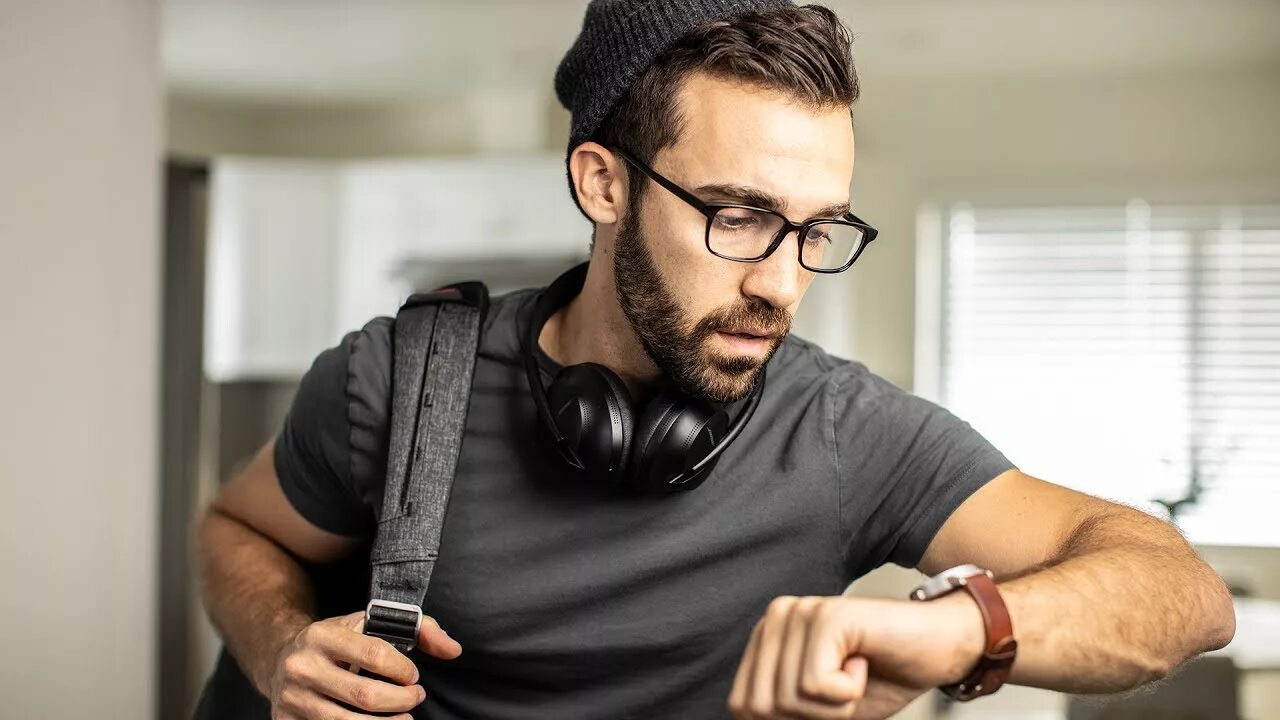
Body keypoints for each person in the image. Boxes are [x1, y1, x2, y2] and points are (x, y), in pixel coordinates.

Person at [193, 2, 1236, 719]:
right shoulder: (400, 382)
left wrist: (961, 632)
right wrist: (280, 646)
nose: (782, 283)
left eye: (816, 229)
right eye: (738, 216)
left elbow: (1183, 595)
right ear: (602, 183)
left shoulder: (840, 432)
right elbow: (234, 530)